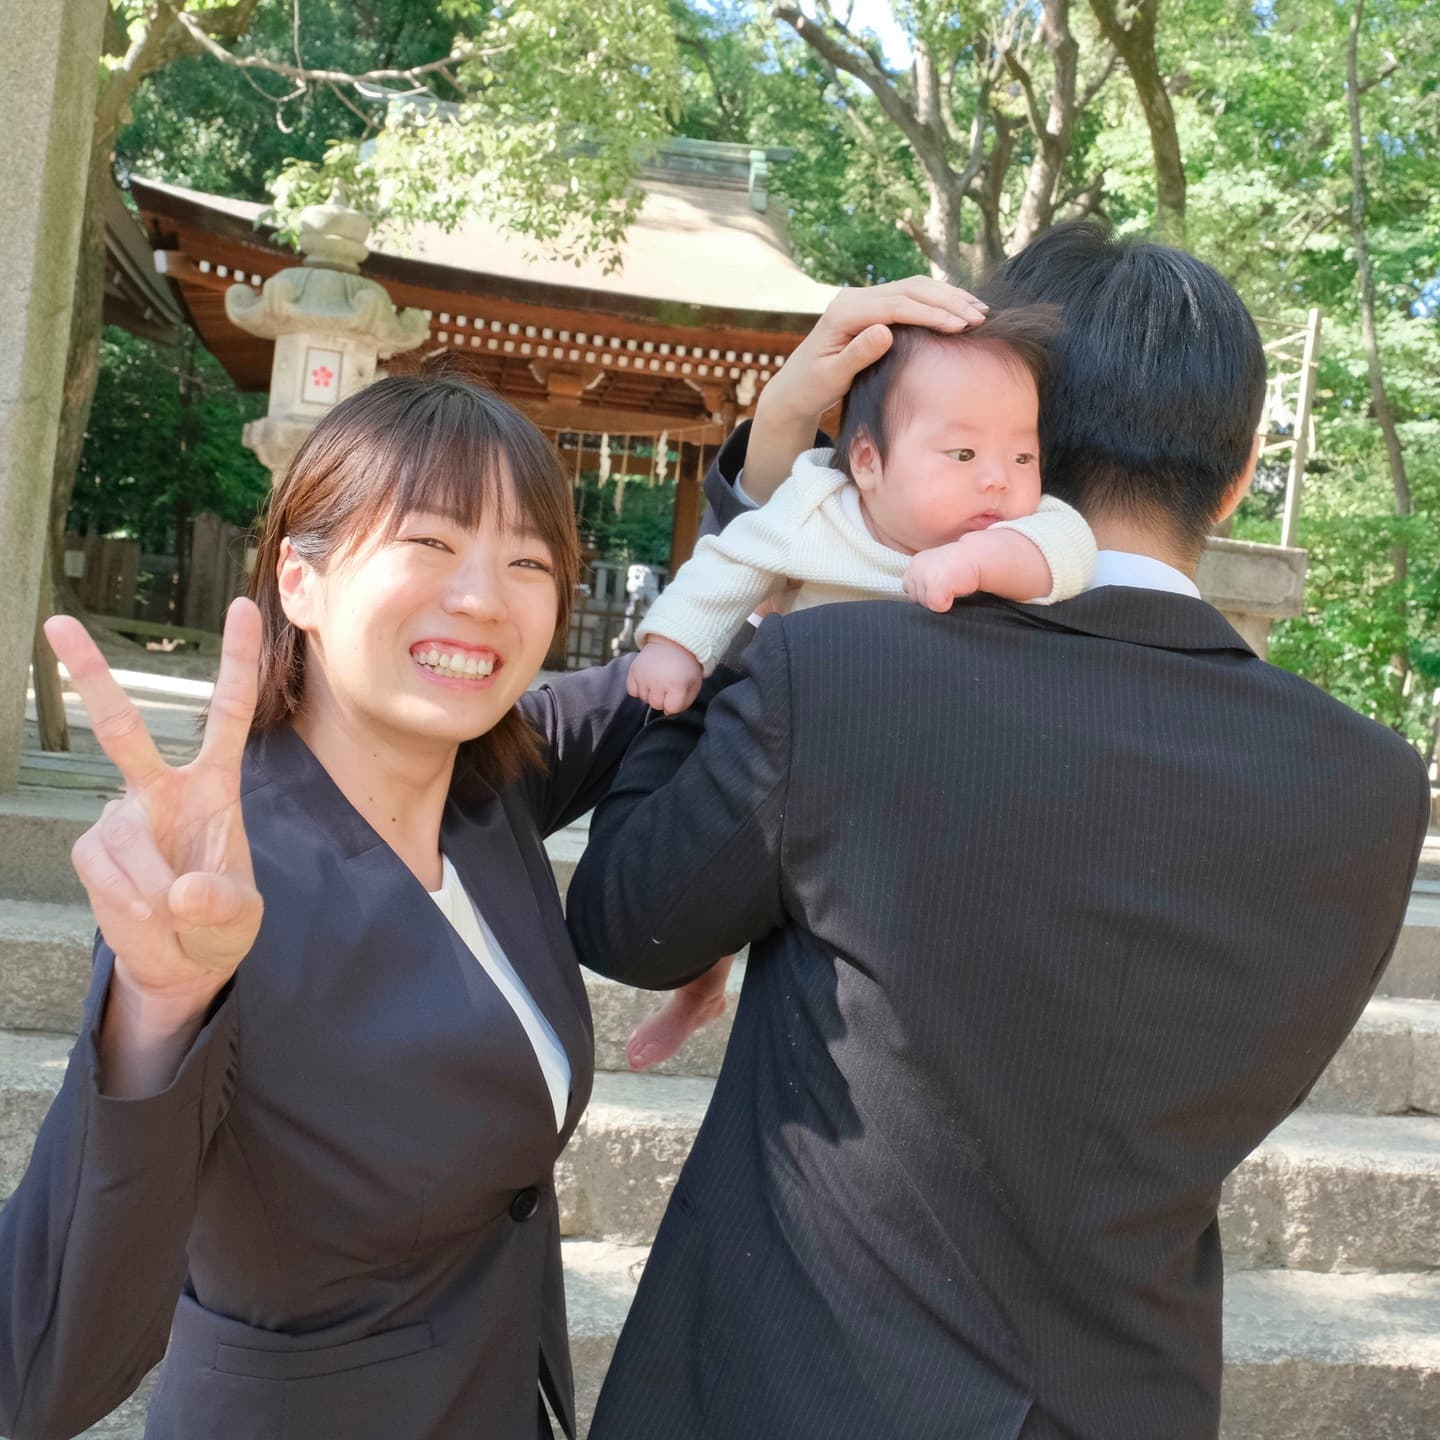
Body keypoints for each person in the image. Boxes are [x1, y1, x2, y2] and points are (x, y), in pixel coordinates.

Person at [566, 224, 1432, 1440]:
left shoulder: (840, 675)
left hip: (789, 1391)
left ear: (1031, 446)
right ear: (1235, 482)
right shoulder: (1373, 785)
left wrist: (752, 533)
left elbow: (626, 919)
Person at [0, 371, 660, 1440]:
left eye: (528, 560)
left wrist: (775, 463)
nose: (485, 597)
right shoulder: (221, 887)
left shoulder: (491, 792)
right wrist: (159, 1008)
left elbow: (666, 675)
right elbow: (47, 1362)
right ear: (299, 583)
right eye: (431, 545)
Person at [623, 309, 1097, 1068]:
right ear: (869, 463)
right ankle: (701, 983)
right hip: (798, 761)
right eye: (964, 452)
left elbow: (1067, 555)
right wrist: (677, 644)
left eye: (1022, 455)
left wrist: (980, 565)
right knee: (728, 877)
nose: (997, 479)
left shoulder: (1025, 527)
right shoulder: (816, 510)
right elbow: (730, 561)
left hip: (923, 786)